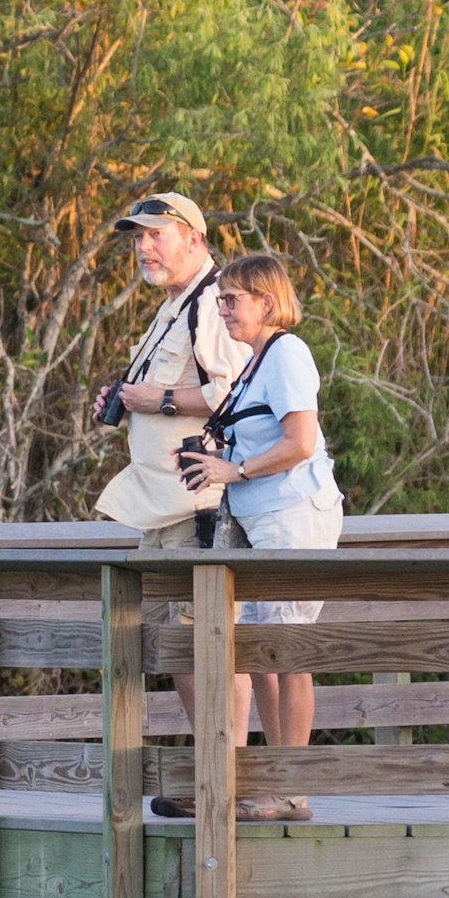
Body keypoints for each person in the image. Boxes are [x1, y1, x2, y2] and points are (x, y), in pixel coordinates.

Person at [141, 252, 338, 823]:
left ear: (266, 302)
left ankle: (291, 791)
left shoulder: (287, 353)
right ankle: (254, 785)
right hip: (257, 525)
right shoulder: (253, 363)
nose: (222, 308)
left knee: (287, 652)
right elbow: (255, 437)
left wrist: (236, 471)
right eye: (220, 298)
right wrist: (213, 459)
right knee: (255, 650)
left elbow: (302, 442)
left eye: (232, 299)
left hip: (294, 517)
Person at [89, 192, 243, 539]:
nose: (143, 247)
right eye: (137, 238)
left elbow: (237, 397)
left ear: (193, 239)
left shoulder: (214, 303)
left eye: (157, 234)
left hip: (198, 511)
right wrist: (126, 402)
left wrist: (161, 400)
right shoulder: (173, 304)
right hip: (159, 511)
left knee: (193, 597)